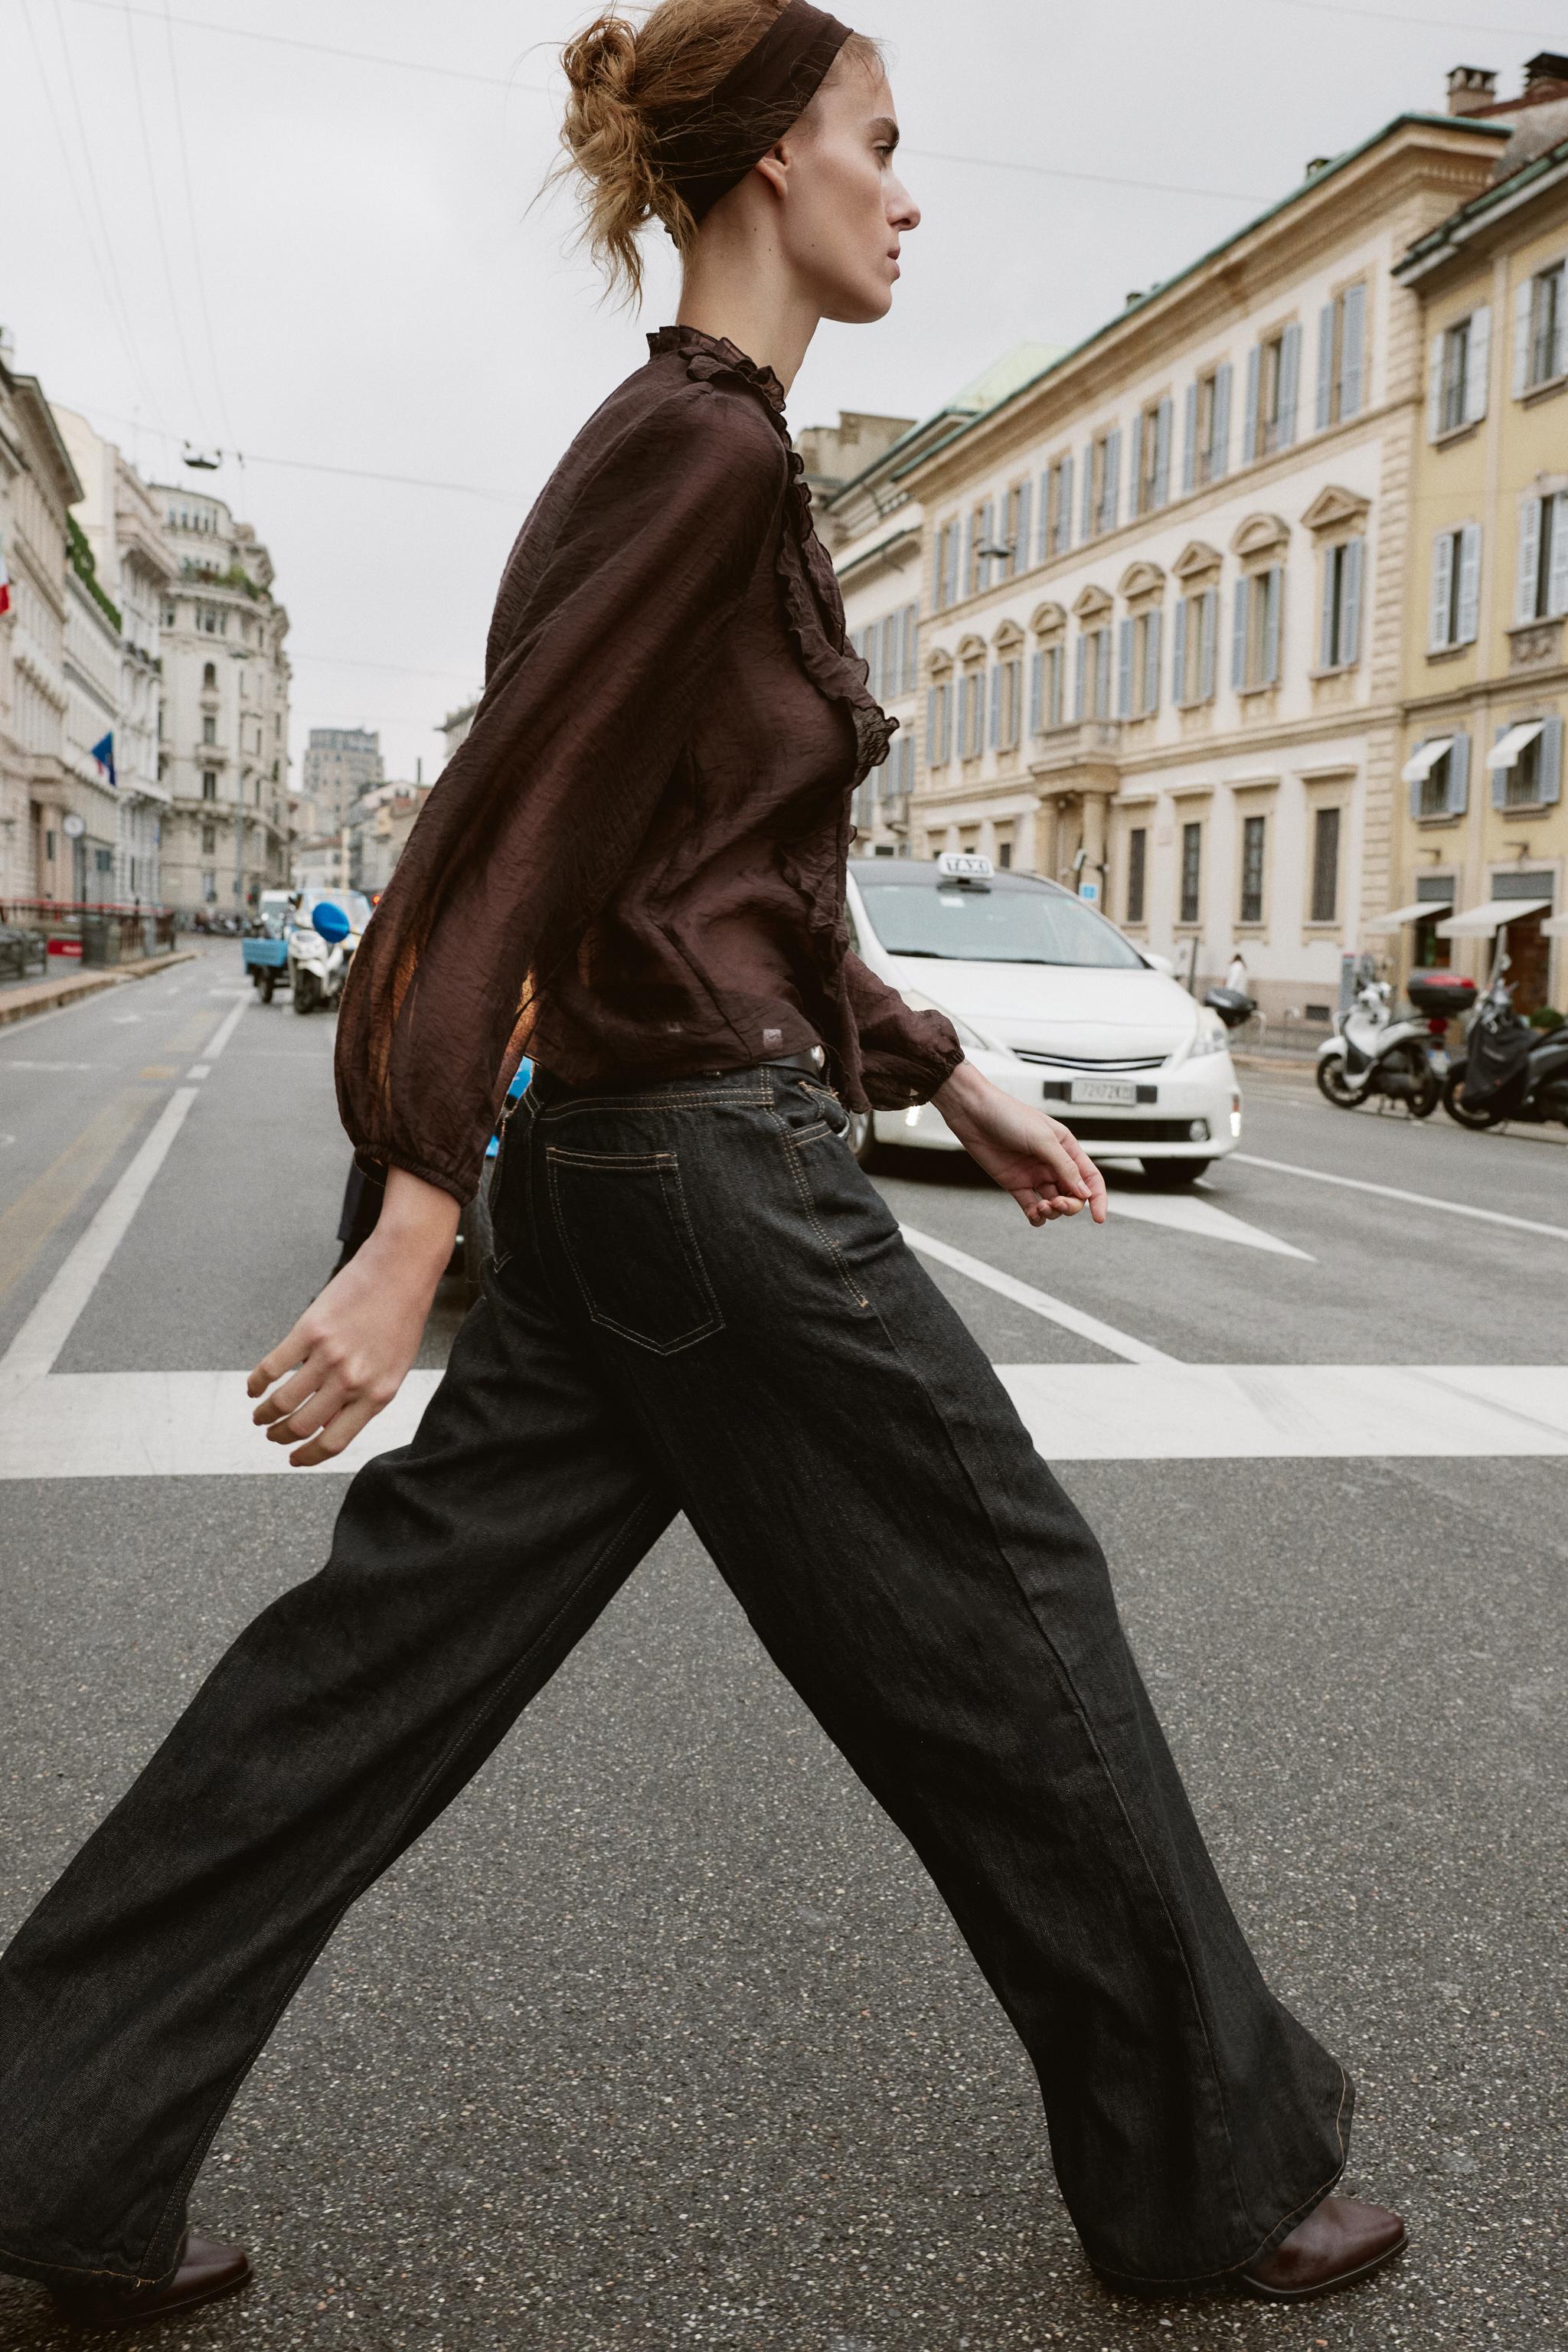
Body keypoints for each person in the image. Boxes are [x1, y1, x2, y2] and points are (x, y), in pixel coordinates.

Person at [0, 1, 1404, 2326]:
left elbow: (709, 870)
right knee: (1017, 1631)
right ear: (769, 164)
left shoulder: (678, 449)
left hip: (631, 1186)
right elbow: (512, 824)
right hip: (715, 1187)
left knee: (361, 1682)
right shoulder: (710, 456)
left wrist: (945, 1063)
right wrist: (412, 1200)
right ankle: (1213, 2179)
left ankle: (45, 2138)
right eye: (880, 141)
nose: (909, 194)